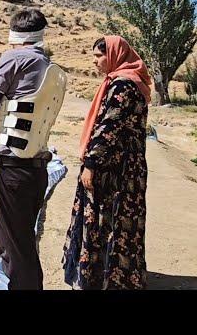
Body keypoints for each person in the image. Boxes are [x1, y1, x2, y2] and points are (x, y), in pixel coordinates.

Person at [0, 9, 67, 290]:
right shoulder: (51, 68)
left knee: (14, 249)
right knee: (25, 242)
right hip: (38, 168)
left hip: (11, 166)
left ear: (13, 35)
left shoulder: (12, 59)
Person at [62, 36, 151, 290]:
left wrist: (91, 163)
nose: (95, 61)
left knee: (108, 220)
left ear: (114, 55)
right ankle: (117, 277)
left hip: (114, 169)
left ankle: (104, 278)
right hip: (125, 165)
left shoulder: (123, 86)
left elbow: (109, 127)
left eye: (99, 55)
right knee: (120, 221)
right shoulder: (128, 82)